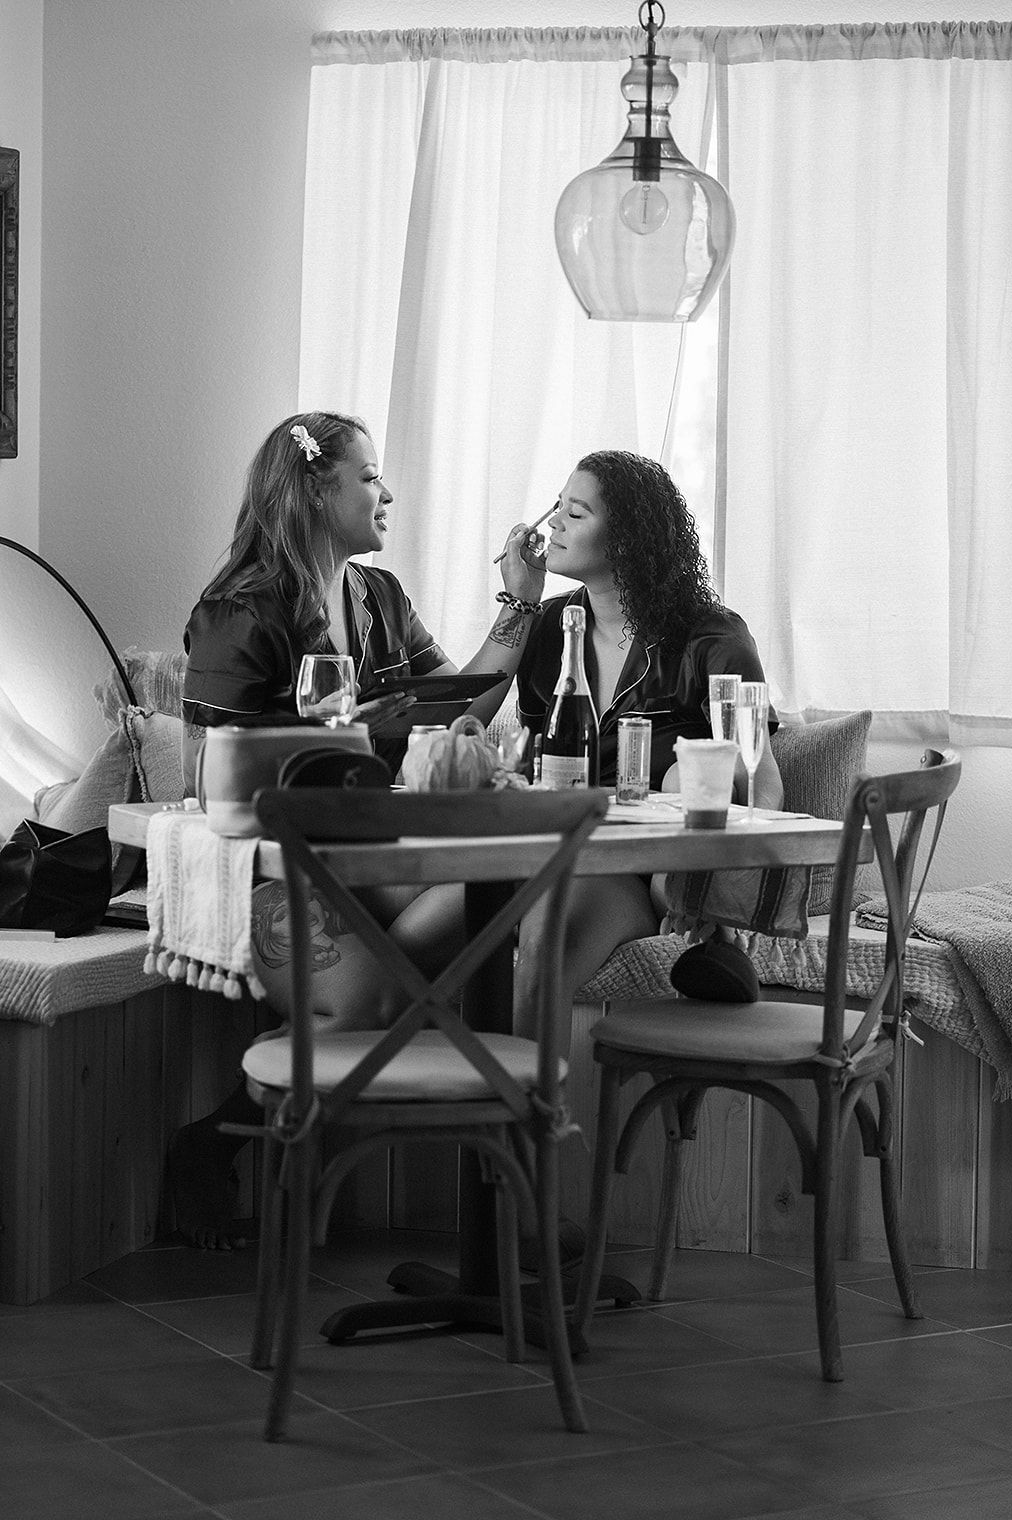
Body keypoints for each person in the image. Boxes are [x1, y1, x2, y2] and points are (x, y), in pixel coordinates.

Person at [171, 410, 547, 1248]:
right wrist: (339, 738)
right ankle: (213, 1151)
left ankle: (229, 1148)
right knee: (379, 996)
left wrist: (519, 604)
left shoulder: (379, 596)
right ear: (314, 488)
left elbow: (462, 701)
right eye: (370, 477)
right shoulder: (242, 607)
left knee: (506, 887)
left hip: (379, 854)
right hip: (280, 865)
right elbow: (206, 768)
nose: (387, 492)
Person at [511, 449, 783, 1021]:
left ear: (628, 541)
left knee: (542, 945)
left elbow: (763, 784)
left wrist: (711, 872)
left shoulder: (712, 638)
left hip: (628, 868)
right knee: (413, 933)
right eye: (555, 507)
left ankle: (525, 1110)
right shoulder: (551, 629)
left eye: (575, 514)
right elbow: (532, 763)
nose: (550, 524)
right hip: (548, 846)